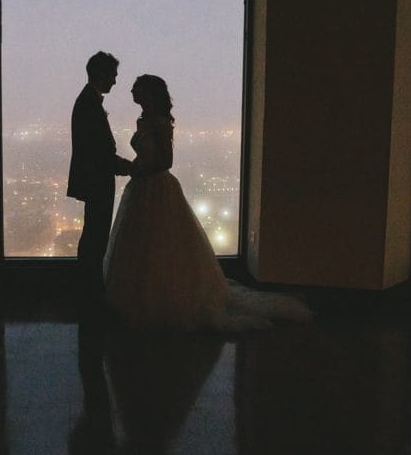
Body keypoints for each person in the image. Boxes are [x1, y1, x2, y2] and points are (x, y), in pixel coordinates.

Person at [104, 74, 313, 331]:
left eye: (137, 89)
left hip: (152, 185)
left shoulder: (158, 123)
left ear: (148, 93)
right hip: (146, 185)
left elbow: (166, 161)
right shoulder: (146, 120)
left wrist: (138, 169)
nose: (132, 92)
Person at [67, 52, 133, 299]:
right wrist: (128, 167)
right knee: (95, 238)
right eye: (113, 75)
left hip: (94, 180)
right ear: (102, 74)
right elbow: (100, 153)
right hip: (97, 182)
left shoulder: (88, 101)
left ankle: (89, 288)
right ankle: (91, 291)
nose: (115, 81)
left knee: (93, 235)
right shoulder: (90, 104)